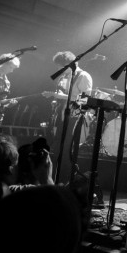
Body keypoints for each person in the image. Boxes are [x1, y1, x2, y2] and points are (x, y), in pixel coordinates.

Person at [43, 51, 94, 182]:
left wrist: (60, 96)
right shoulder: (66, 77)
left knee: (67, 150)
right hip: (63, 115)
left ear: (69, 64)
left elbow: (85, 99)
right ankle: (54, 180)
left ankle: (65, 181)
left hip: (75, 117)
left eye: (60, 66)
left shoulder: (83, 76)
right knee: (57, 148)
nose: (58, 69)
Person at [0, 53, 20, 134]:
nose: (11, 71)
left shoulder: (7, 82)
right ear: (4, 63)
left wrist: (8, 105)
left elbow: (1, 101)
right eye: (11, 67)